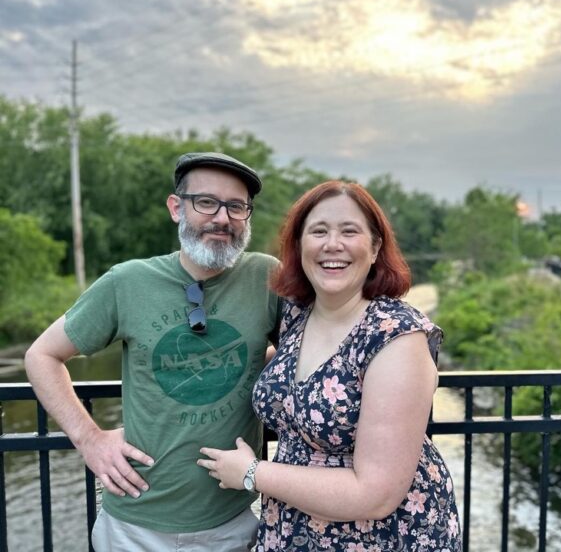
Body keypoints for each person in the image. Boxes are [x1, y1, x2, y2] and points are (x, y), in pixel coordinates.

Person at [24, 152, 282, 551]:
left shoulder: (266, 277)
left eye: (236, 206)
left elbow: (308, 359)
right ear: (176, 207)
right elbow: (41, 356)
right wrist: (89, 438)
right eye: (206, 202)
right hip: (134, 528)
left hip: (233, 523)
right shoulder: (127, 282)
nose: (222, 218)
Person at [198, 180, 462, 551]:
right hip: (293, 532)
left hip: (380, 539)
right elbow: (303, 379)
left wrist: (253, 473)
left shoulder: (396, 336)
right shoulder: (296, 318)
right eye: (318, 231)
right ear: (299, 247)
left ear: (374, 249)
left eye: (349, 231)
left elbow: (375, 494)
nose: (332, 244)